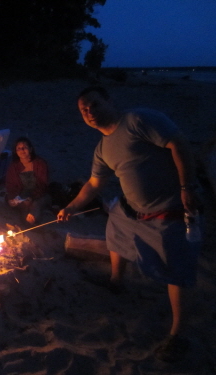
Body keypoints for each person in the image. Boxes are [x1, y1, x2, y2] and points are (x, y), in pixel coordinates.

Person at [57, 86, 199, 361]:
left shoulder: (137, 120)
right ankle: (116, 280)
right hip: (133, 210)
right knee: (116, 225)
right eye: (84, 111)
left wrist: (187, 187)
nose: (90, 112)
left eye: (94, 105)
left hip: (169, 207)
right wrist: (71, 207)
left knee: (176, 269)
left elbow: (177, 143)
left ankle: (177, 334)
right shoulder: (102, 148)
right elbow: (94, 183)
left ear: (109, 101)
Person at [5, 137, 50, 225]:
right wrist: (15, 198)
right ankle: (25, 222)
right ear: (16, 151)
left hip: (39, 193)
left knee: (36, 205)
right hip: (22, 195)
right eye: (19, 148)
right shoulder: (14, 166)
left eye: (24, 147)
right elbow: (10, 185)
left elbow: (43, 184)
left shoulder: (40, 163)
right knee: (21, 205)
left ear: (31, 149)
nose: (22, 150)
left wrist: (31, 197)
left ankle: (32, 220)